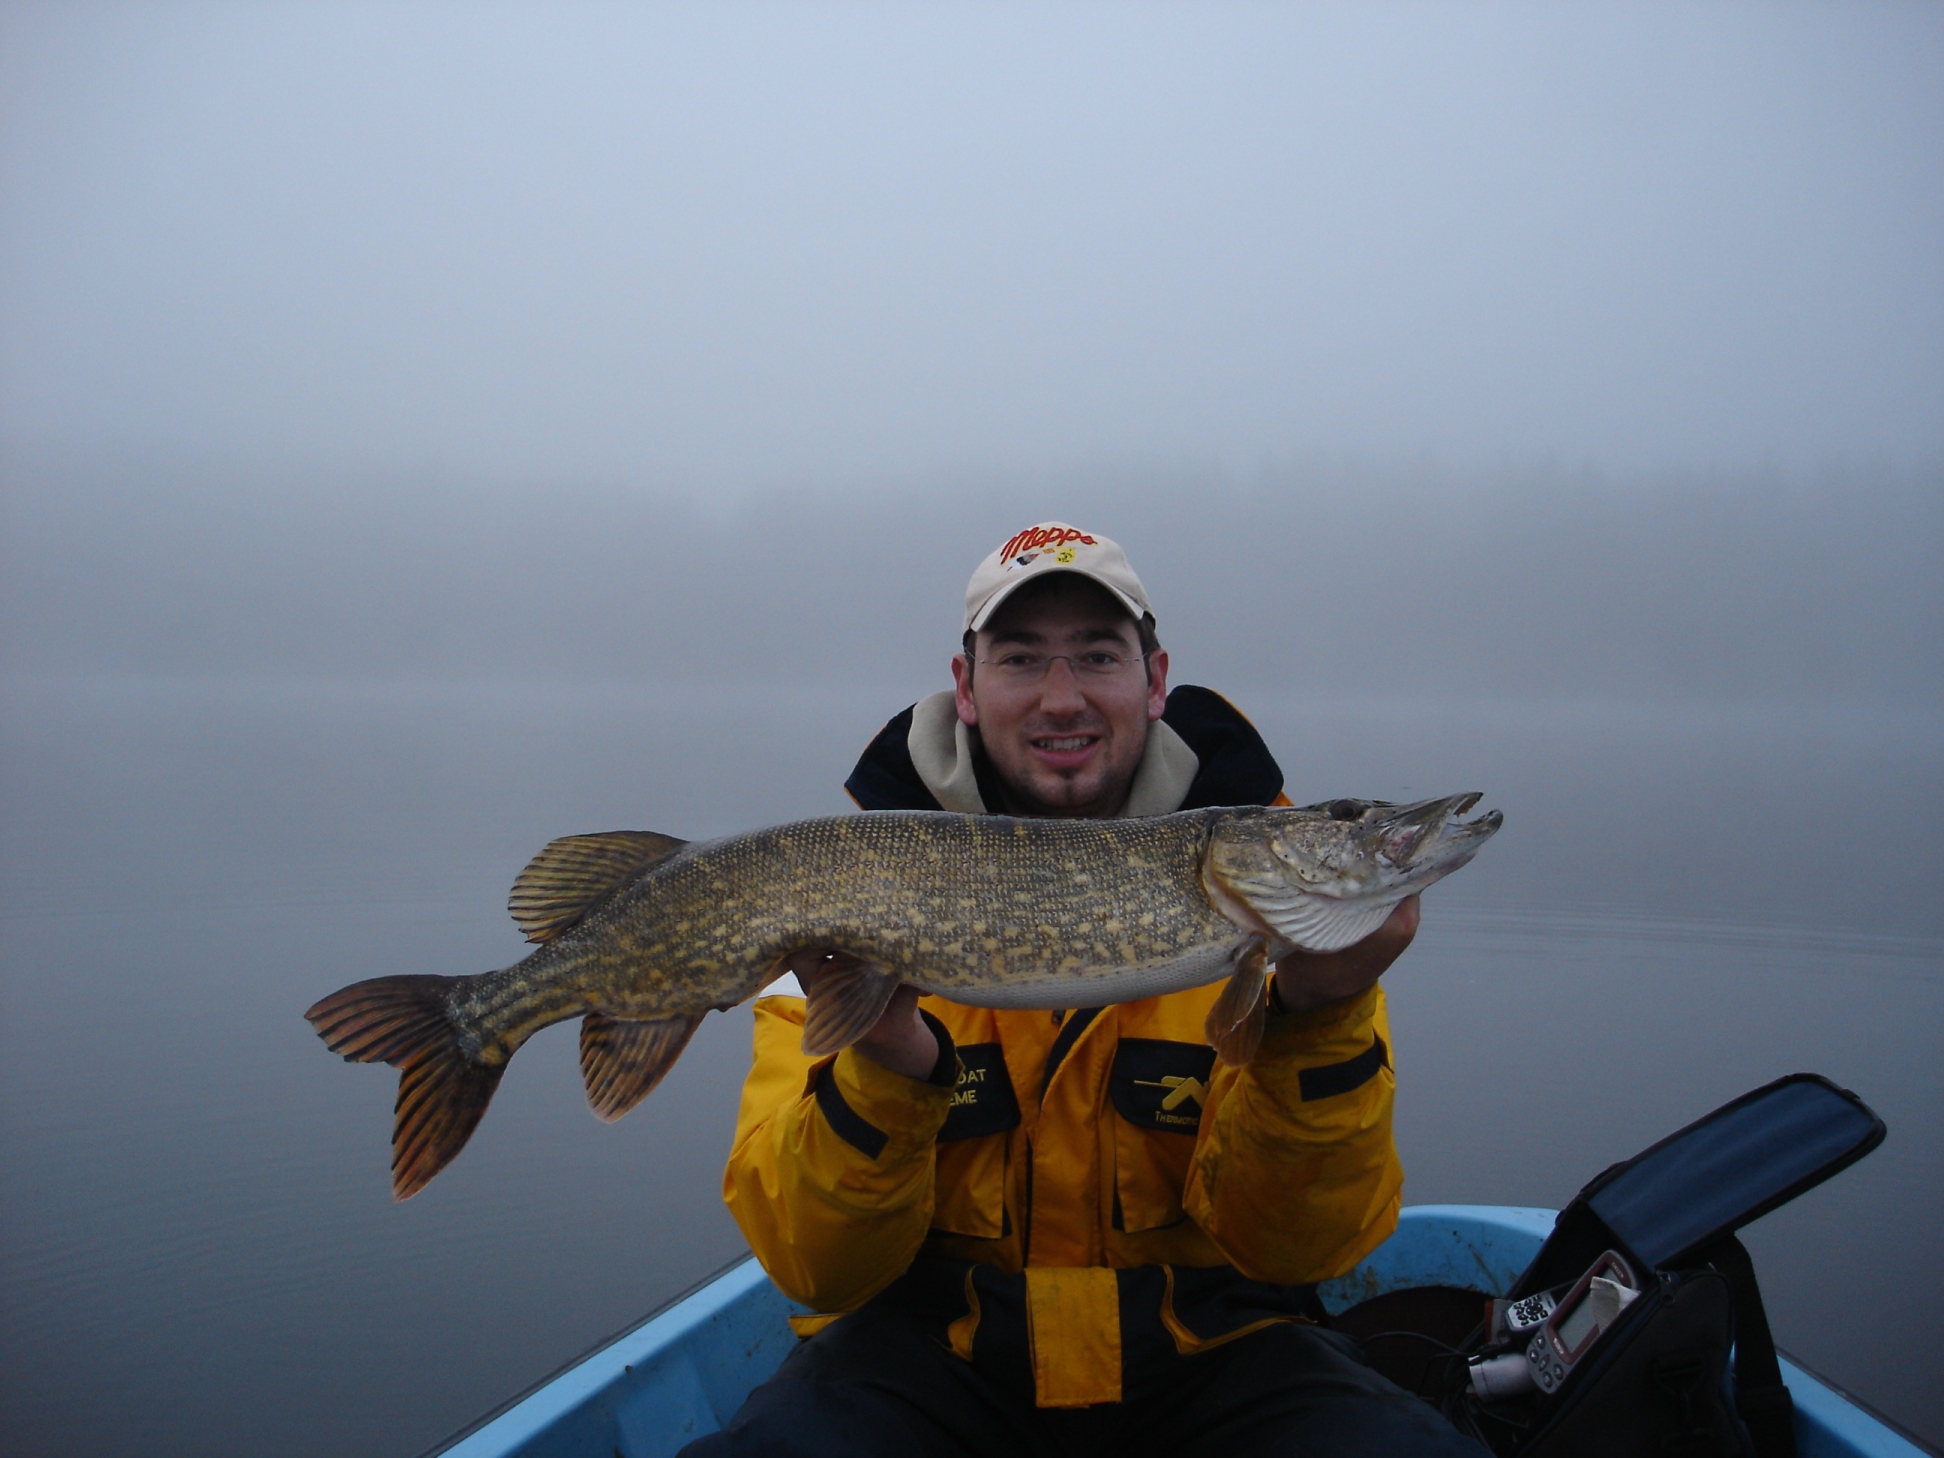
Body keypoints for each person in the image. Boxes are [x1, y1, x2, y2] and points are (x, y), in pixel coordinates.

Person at [683, 523, 1486, 1457]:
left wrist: (1320, 1018)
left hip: (1213, 1347)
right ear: (967, 687)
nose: (1062, 699)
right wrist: (885, 1069)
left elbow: (1304, 1253)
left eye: (1098, 656)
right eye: (1021, 659)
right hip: (925, 1351)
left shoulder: (1290, 924)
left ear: (1154, 678)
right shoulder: (831, 884)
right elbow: (814, 1271)